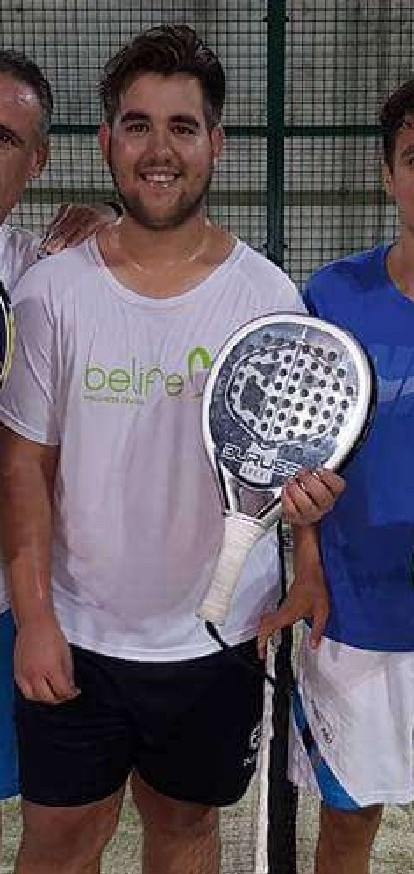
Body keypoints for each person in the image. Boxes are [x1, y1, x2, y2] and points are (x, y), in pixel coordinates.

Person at [0, 25, 343, 874]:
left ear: (215, 144)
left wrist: (306, 538)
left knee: (185, 829)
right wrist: (36, 619)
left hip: (217, 641)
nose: (159, 150)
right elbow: (26, 466)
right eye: (138, 125)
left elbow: (293, 462)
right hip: (77, 635)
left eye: (182, 127)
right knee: (60, 840)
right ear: (107, 141)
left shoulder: (267, 296)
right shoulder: (52, 291)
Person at [259, 77, 414, 874]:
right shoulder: (332, 296)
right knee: (350, 828)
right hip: (352, 618)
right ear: (389, 174)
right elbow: (300, 459)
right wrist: (310, 566)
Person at [0, 48, 119, 854]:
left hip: (15, 600)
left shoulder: (41, 275)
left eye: (4, 138)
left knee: (65, 819)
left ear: (36, 162)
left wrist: (106, 225)